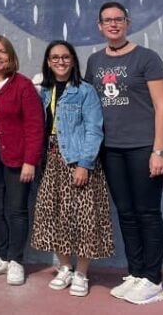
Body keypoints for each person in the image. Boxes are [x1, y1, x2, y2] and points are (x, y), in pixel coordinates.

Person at [85, 2, 163, 306]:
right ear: (99, 26)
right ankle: (136, 273)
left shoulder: (147, 58)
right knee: (126, 213)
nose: (113, 24)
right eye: (107, 20)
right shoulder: (94, 62)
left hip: (144, 148)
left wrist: (158, 150)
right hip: (112, 151)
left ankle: (153, 279)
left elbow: (162, 105)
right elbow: (88, 103)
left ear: (128, 23)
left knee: (147, 213)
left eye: (118, 20)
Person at [31, 41, 113, 298]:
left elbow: (94, 128)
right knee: (55, 216)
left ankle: (82, 272)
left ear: (73, 60)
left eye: (65, 57)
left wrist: (85, 164)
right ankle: (65, 267)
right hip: (52, 162)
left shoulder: (84, 91)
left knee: (84, 218)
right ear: (47, 61)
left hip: (77, 160)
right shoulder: (43, 91)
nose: (60, 61)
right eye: (54, 57)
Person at [0, 35, 44, 286]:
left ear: (10, 56)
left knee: (17, 209)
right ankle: (2, 255)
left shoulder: (21, 85)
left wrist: (30, 161)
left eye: (2, 51)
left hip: (17, 155)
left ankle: (16, 260)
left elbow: (35, 126)